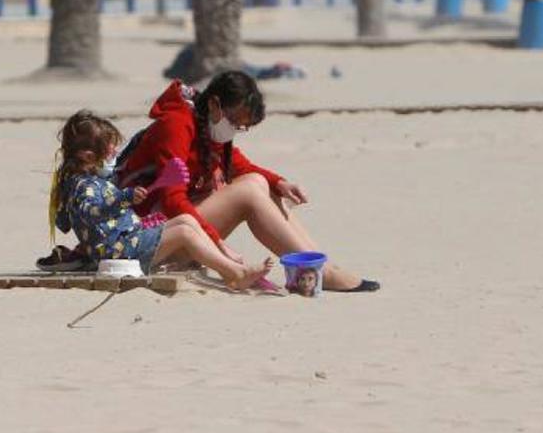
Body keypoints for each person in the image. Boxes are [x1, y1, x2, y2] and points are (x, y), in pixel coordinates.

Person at [115, 71, 380, 293]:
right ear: (214, 105)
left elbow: (239, 166)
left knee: (257, 182)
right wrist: (217, 244)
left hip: (173, 223)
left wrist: (279, 183)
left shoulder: (206, 124)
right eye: (235, 123)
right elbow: (172, 198)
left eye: (242, 127)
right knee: (248, 193)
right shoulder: (176, 124)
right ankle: (313, 270)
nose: (236, 131)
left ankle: (319, 265)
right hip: (149, 236)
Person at [50, 110, 274, 291]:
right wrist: (123, 198)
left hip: (126, 240)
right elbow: (91, 212)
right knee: (184, 233)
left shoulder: (95, 179)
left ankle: (230, 267)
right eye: (108, 151)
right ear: (87, 157)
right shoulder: (81, 186)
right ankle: (235, 274)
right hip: (117, 252)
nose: (114, 153)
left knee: (185, 220)